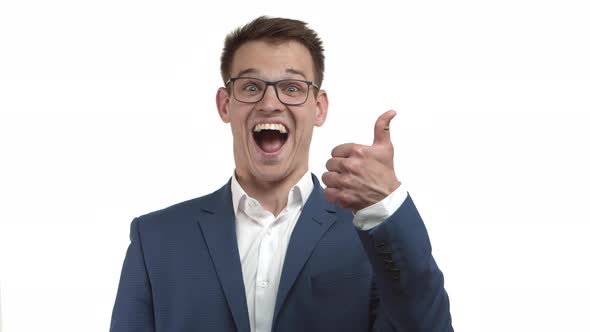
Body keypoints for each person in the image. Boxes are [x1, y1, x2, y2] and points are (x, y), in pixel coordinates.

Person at [110, 16, 453, 332]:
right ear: (225, 104)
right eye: (250, 86)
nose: (270, 103)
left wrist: (386, 206)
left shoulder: (369, 239)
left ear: (318, 108)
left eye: (291, 88)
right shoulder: (155, 239)